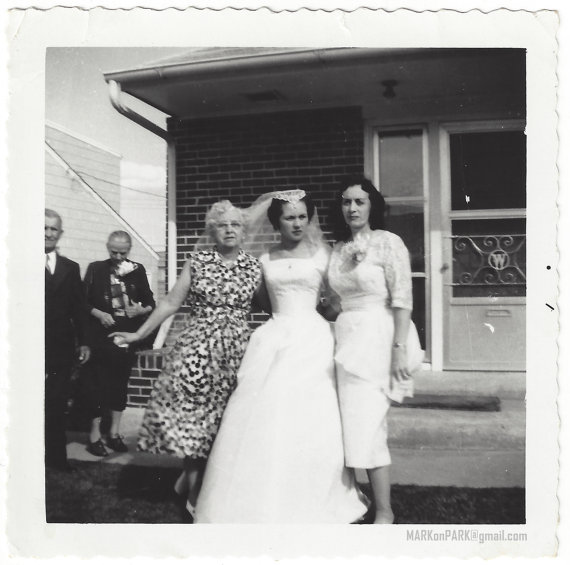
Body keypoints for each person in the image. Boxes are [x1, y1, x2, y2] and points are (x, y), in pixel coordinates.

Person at [195, 189, 368, 524]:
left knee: (311, 416)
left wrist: (326, 312)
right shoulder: (265, 258)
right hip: (274, 336)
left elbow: (335, 299)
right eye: (290, 217)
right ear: (277, 222)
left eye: (302, 216)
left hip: (313, 339)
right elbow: (260, 300)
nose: (297, 223)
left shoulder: (324, 253)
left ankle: (316, 496)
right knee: (266, 411)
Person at [110, 200, 263, 520]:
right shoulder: (198, 261)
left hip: (236, 354)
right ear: (212, 231)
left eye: (235, 224)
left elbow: (276, 305)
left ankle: (193, 485)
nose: (229, 230)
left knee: (224, 425)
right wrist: (139, 335)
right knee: (197, 424)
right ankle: (195, 492)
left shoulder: (254, 266)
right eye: (222, 225)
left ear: (244, 230)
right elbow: (169, 302)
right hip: (199, 353)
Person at [326, 175, 423, 524]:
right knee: (348, 425)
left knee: (368, 426)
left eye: (359, 201)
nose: (351, 208)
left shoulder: (388, 242)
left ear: (372, 206)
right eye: (346, 202)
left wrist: (398, 347)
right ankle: (354, 499)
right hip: (345, 338)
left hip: (379, 340)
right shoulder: (337, 248)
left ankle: (385, 511)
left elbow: (403, 298)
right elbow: (336, 303)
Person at [83, 231, 155, 456]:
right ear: (107, 247)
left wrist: (140, 309)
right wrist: (99, 314)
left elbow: (150, 302)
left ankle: (113, 433)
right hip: (100, 336)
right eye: (113, 251)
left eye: (122, 253)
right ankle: (94, 436)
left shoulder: (137, 270)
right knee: (96, 385)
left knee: (119, 384)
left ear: (129, 250)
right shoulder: (96, 269)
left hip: (125, 335)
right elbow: (81, 302)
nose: (117, 256)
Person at [45, 209, 91, 472]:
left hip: (60, 347)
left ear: (60, 234)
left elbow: (79, 310)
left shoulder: (70, 268)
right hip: (26, 346)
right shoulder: (15, 261)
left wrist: (84, 342)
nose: (49, 233)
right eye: (44, 228)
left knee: (56, 401)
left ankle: (55, 458)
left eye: (53, 229)